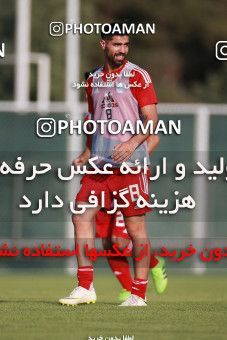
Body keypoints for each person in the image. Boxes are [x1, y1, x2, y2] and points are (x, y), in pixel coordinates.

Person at [59, 22, 158, 306]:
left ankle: (139, 293)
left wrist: (131, 143)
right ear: (103, 44)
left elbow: (152, 120)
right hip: (100, 166)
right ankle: (85, 286)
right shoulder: (92, 79)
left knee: (135, 227)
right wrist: (87, 152)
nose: (122, 50)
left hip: (131, 166)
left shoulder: (138, 76)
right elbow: (94, 119)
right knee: (80, 216)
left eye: (126, 45)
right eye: (116, 44)